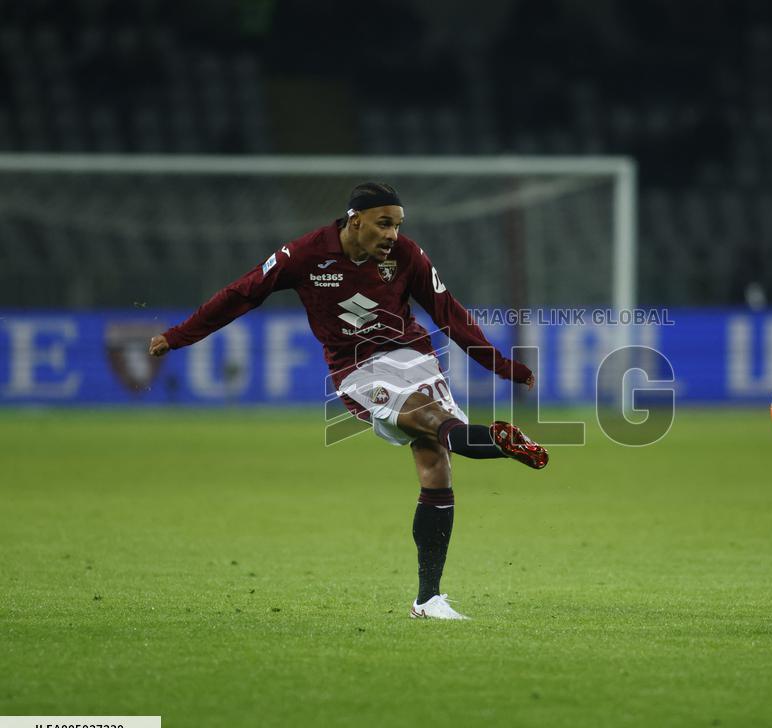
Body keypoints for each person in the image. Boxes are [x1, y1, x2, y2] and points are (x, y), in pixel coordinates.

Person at [149, 182, 548, 621]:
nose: (393, 234)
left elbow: (448, 312)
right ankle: (494, 442)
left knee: (435, 463)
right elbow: (242, 292)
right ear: (355, 221)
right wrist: (178, 336)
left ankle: (428, 599)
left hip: (413, 356)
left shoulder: (407, 255)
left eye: (398, 225)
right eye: (384, 224)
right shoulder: (303, 255)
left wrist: (503, 366)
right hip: (357, 368)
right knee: (429, 420)